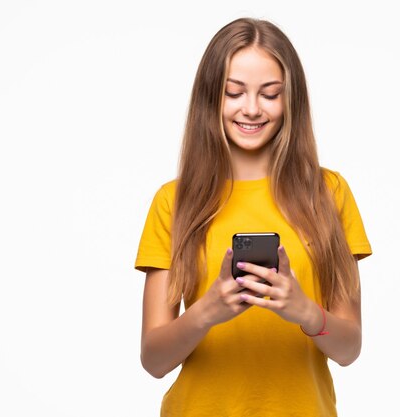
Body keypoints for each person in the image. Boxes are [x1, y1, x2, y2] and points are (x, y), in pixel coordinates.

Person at [134, 17, 372, 417]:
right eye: (234, 92)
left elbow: (348, 350)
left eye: (270, 93)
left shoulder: (328, 194)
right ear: (211, 97)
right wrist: (208, 311)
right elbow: (154, 361)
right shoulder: (174, 201)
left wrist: (305, 312)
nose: (251, 109)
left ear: (289, 99)